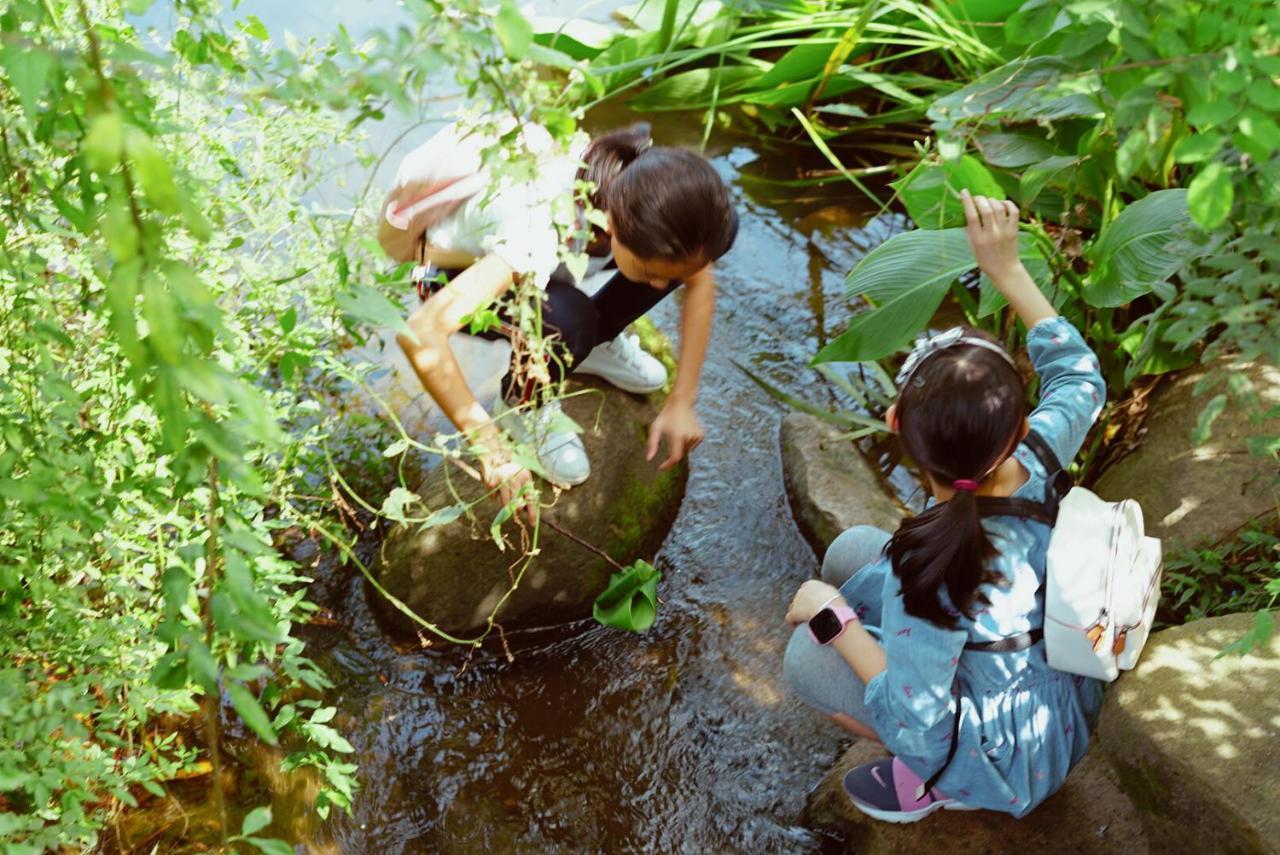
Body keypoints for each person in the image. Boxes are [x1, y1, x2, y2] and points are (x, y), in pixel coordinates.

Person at [782, 190, 1107, 822]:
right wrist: (1007, 269)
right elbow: (1080, 376)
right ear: (1015, 429)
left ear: (894, 421)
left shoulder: (932, 578)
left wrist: (834, 621)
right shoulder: (1037, 457)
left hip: (1011, 758)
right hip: (1060, 693)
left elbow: (918, 721)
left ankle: (941, 788)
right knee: (852, 549)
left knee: (806, 653)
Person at [378, 117, 737, 521]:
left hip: (533, 265)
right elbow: (423, 334)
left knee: (664, 271)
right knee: (570, 320)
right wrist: (491, 449)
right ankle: (522, 404)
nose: (658, 287)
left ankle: (591, 345)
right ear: (616, 225)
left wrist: (682, 401)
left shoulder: (643, 191)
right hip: (449, 277)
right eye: (651, 270)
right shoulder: (537, 224)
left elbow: (698, 278)